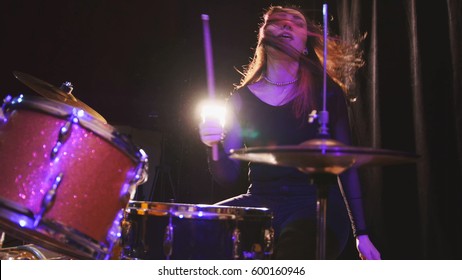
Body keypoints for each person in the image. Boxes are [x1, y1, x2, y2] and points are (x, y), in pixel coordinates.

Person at [199, 5, 381, 260]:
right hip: (260, 200)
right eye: (276, 21)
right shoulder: (242, 99)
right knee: (196, 231)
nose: (285, 24)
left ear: (306, 41)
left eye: (296, 22)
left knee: (295, 249)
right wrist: (213, 145)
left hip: (315, 203)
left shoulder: (326, 93)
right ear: (263, 36)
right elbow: (227, 176)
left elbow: (346, 167)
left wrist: (361, 233)